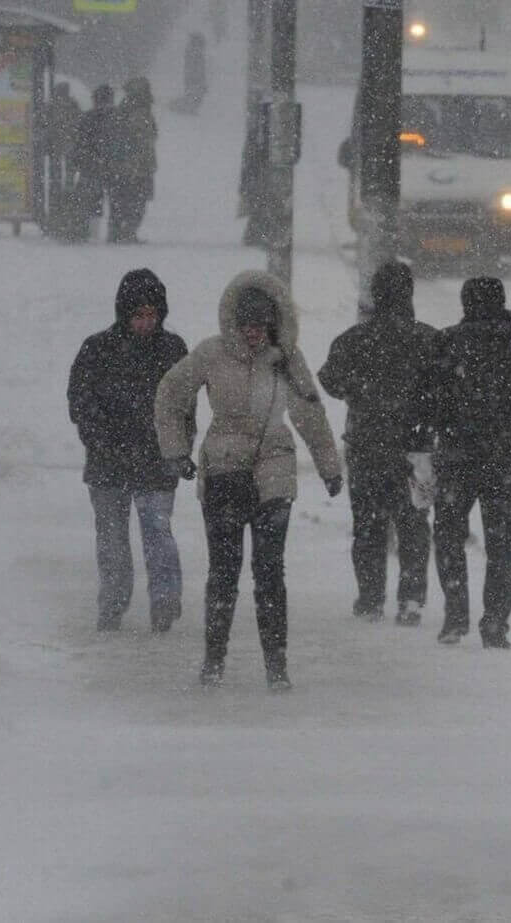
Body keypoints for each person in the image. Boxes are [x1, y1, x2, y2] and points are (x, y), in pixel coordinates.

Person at [154, 270, 343, 691]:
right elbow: (170, 395)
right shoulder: (210, 354)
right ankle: (214, 660)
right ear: (234, 325)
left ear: (273, 324)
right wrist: (175, 450)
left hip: (274, 473)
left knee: (270, 571)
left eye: (260, 326)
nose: (254, 335)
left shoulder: (288, 360)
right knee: (223, 571)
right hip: (223, 471)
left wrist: (329, 465)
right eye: (246, 326)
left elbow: (309, 414)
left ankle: (276, 666)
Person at [426, 277, 511, 648]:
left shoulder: (449, 341)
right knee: (500, 545)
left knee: (448, 536)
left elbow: (426, 394)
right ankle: (494, 625)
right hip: (503, 459)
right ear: (502, 302)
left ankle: (456, 617)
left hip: (456, 457)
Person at [67, 269, 193, 632]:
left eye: (152, 315)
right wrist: (101, 441)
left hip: (156, 461)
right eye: (138, 315)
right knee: (112, 542)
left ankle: (165, 605)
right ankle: (112, 604)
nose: (145, 323)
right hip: (108, 464)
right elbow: (81, 400)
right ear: (125, 314)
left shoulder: (173, 350)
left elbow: (184, 407)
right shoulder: (97, 349)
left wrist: (178, 449)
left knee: (158, 535)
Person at [318, 261, 437, 625]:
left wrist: (364, 393)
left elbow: (330, 382)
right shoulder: (430, 340)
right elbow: (448, 392)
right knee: (414, 524)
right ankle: (412, 599)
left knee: (368, 526)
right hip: (417, 451)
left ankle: (370, 597)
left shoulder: (353, 340)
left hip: (367, 447)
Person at [105, 76, 158, 244]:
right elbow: (143, 138)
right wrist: (136, 162)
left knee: (120, 199)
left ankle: (116, 232)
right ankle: (127, 232)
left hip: (123, 165)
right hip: (137, 166)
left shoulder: (123, 109)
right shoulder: (140, 112)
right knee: (136, 200)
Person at [68, 84, 116, 242]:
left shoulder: (87, 117)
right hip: (113, 164)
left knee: (91, 199)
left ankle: (90, 232)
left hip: (90, 164)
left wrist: (78, 160)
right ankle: (115, 232)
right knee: (116, 200)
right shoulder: (117, 117)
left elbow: (79, 142)